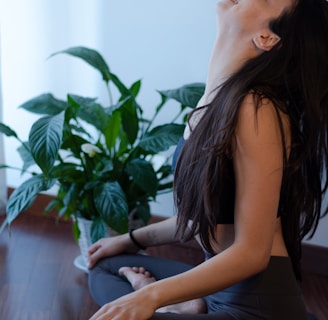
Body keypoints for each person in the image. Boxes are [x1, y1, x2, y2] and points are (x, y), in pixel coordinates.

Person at [87, 0, 328, 319]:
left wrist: (150, 295)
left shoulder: (257, 108)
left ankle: (183, 307)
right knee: (106, 266)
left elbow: (253, 254)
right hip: (219, 289)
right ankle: (191, 306)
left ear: (266, 38)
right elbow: (204, 218)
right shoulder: (217, 99)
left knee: (126, 299)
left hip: (255, 306)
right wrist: (129, 239)